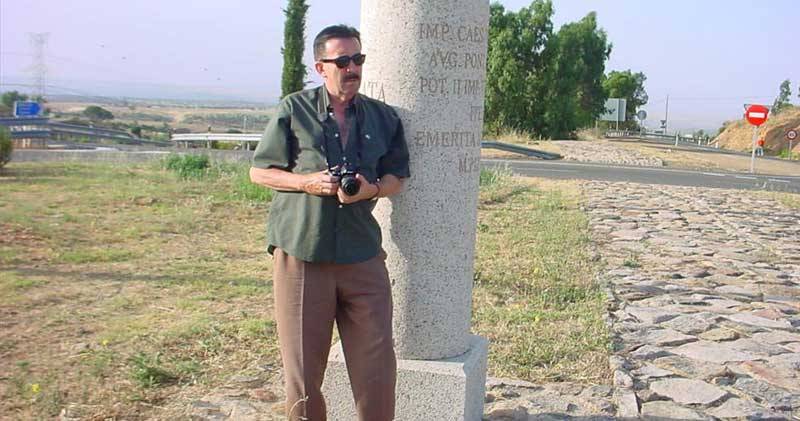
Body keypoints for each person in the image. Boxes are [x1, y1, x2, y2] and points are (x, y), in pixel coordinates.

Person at [249, 24, 410, 421]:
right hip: (303, 252)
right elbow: (260, 171)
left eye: (358, 59)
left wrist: (370, 190)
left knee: (377, 368)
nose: (352, 68)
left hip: (362, 255)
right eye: (342, 61)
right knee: (303, 373)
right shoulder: (294, 109)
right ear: (321, 67)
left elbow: (397, 178)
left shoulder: (382, 116)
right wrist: (306, 182)